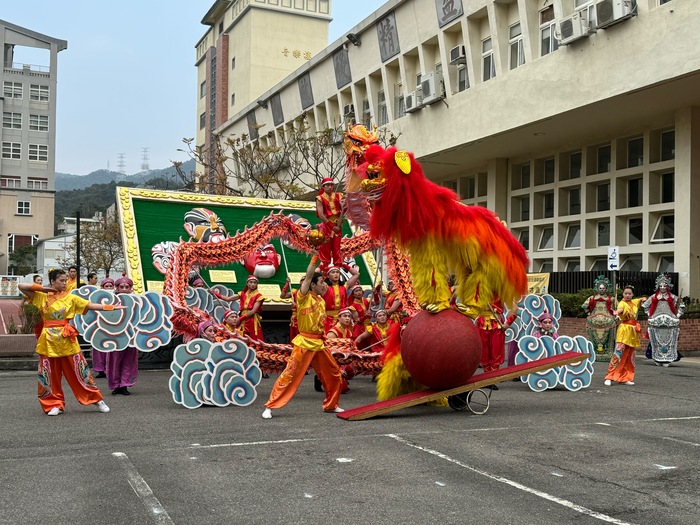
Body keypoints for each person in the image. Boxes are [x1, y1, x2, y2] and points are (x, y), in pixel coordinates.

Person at [18, 268, 122, 416]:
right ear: (53, 281)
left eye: (65, 280)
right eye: (61, 280)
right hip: (48, 340)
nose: (65, 283)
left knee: (79, 371)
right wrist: (43, 288)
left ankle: (96, 399)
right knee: (49, 373)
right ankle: (54, 404)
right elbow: (21, 287)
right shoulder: (41, 297)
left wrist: (110, 307)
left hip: (67, 339)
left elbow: (90, 306)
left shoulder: (71, 298)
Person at [262, 252, 344, 419]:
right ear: (312, 285)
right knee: (290, 374)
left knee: (334, 373)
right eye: (321, 282)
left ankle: (331, 404)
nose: (324, 285)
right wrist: (315, 258)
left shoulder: (321, 300)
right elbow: (307, 277)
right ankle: (270, 406)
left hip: (319, 343)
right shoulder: (303, 297)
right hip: (305, 342)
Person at [605, 286, 647, 386]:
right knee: (618, 352)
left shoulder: (634, 302)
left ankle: (626, 377)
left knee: (630, 355)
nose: (627, 295)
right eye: (625, 293)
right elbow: (620, 310)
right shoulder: (622, 303)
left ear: (632, 295)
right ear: (623, 294)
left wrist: (643, 299)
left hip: (633, 332)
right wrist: (616, 312)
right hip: (624, 330)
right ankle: (609, 376)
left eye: (629, 293)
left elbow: (642, 299)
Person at [106, 276, 139, 396]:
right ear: (117, 288)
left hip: (131, 335)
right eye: (121, 287)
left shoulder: (137, 301)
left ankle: (124, 385)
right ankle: (115, 385)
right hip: (115, 335)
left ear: (131, 288)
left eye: (127, 287)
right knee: (114, 360)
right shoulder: (111, 301)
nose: (124, 289)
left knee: (129, 360)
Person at [642, 273, 685, 367]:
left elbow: (681, 306)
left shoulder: (673, 297)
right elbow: (645, 306)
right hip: (656, 321)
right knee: (656, 341)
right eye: (660, 285)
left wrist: (677, 315)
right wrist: (649, 314)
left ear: (668, 286)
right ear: (658, 286)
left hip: (670, 322)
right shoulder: (654, 297)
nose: (662, 287)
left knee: (669, 340)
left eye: (664, 285)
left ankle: (668, 357)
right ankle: (657, 357)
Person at [213, 275, 265, 341]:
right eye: (251, 282)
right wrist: (215, 294)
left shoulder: (259, 296)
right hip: (242, 317)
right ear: (247, 283)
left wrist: (240, 318)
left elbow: (253, 311)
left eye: (255, 283)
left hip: (251, 319)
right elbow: (228, 299)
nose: (253, 284)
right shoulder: (242, 294)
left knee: (251, 336)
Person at [582, 275, 617, 362]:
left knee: (611, 330)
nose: (602, 290)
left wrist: (616, 315)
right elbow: (584, 306)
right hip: (593, 320)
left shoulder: (611, 299)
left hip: (608, 321)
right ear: (597, 288)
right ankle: (593, 351)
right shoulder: (592, 298)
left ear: (606, 288)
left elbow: (618, 308)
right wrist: (588, 313)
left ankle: (608, 352)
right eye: (600, 288)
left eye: (603, 288)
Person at [315, 177, 344, 270]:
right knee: (325, 249)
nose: (330, 187)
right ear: (323, 186)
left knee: (337, 249)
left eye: (331, 185)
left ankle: (337, 270)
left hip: (338, 225)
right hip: (326, 226)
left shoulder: (339, 196)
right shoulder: (320, 198)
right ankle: (325, 270)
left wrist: (343, 205)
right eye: (327, 185)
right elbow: (320, 214)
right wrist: (331, 226)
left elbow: (344, 209)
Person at [321, 265, 359, 332]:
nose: (336, 274)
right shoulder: (324, 286)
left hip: (342, 318)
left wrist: (343, 264)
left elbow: (356, 274)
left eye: (337, 272)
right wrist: (322, 265)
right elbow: (314, 276)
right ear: (328, 276)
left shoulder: (344, 286)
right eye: (333, 272)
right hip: (328, 319)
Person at [92, 278, 115, 378]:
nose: (109, 288)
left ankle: (109, 369)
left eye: (111, 286)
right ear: (102, 287)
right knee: (99, 349)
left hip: (113, 328)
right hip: (99, 327)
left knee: (110, 350)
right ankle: (100, 369)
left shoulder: (118, 298)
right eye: (107, 286)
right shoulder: (96, 299)